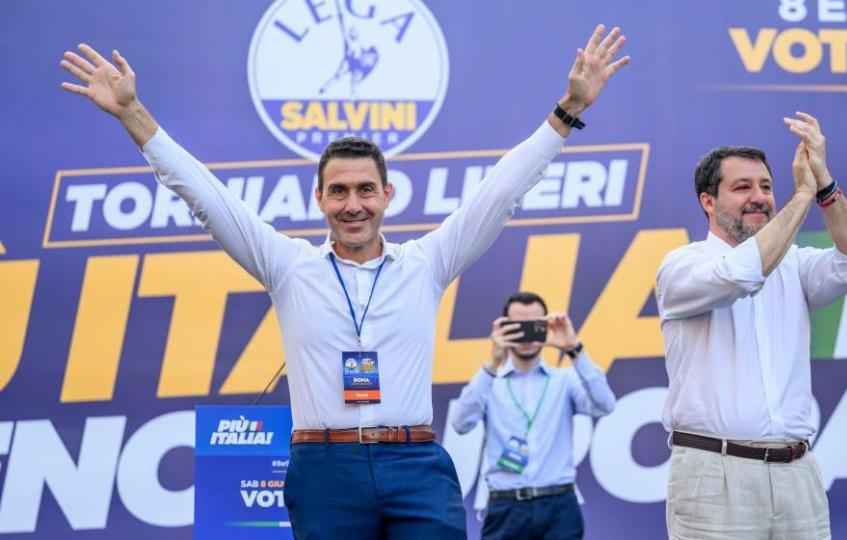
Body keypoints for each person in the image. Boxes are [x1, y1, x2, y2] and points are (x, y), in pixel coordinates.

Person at [60, 25, 629, 540]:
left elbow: (499, 196)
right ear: (320, 199)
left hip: (415, 467)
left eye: (364, 190)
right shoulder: (288, 267)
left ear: (387, 195)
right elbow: (207, 199)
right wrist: (133, 114)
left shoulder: (425, 263)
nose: (352, 204)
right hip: (325, 472)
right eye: (338, 191)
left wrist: (567, 112)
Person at [655, 112, 847, 539]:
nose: (759, 197)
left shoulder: (793, 264)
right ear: (708, 201)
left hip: (797, 475)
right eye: (742, 188)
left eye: (766, 187)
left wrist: (825, 186)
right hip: (714, 477)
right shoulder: (682, 265)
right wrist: (801, 195)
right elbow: (742, 274)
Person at [449, 292, 615, 540]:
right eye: (517, 327)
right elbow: (460, 423)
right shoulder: (489, 381)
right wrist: (492, 363)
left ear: (546, 327)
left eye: (534, 326)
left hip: (559, 505)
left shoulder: (565, 379)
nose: (526, 336)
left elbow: (605, 405)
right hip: (506, 507)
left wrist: (574, 348)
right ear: (503, 328)